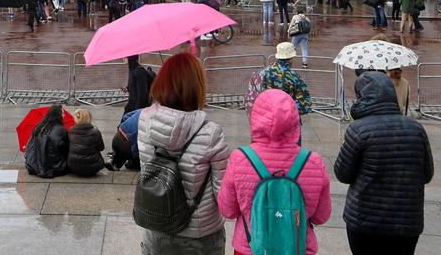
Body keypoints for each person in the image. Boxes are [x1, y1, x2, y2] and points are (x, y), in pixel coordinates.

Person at [218, 89, 332, 255]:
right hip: (298, 248)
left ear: (255, 119)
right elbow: (321, 216)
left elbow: (227, 210)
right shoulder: (313, 161)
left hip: (249, 247)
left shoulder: (240, 158)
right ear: (294, 120)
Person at [138, 52, 229, 254]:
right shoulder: (211, 132)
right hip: (201, 237)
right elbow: (224, 198)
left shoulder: (144, 119)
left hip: (157, 228)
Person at [334, 72, 434, 255]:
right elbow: (427, 175)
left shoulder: (358, 130)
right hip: (407, 221)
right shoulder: (416, 129)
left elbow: (342, 174)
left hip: (365, 219)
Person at [244, 42, 312, 116]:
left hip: (265, 118)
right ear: (291, 58)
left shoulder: (261, 73)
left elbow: (252, 96)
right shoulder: (294, 77)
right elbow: (305, 104)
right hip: (286, 121)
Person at [24, 103, 70, 178]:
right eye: (62, 113)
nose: (64, 115)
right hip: (54, 167)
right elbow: (65, 150)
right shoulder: (61, 130)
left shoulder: (39, 127)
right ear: (58, 115)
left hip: (34, 165)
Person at [67, 108, 106, 176]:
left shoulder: (70, 131)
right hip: (93, 167)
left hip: (73, 167)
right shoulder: (96, 132)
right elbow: (101, 148)